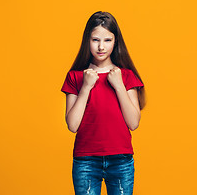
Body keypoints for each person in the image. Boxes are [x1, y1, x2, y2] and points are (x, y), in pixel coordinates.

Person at [60, 11, 146, 195]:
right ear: (87, 41)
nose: (101, 47)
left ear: (116, 42)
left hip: (121, 160)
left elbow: (134, 123)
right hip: (86, 161)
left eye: (107, 40)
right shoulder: (76, 77)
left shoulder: (126, 76)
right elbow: (72, 125)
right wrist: (86, 88)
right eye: (95, 40)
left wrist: (119, 86)